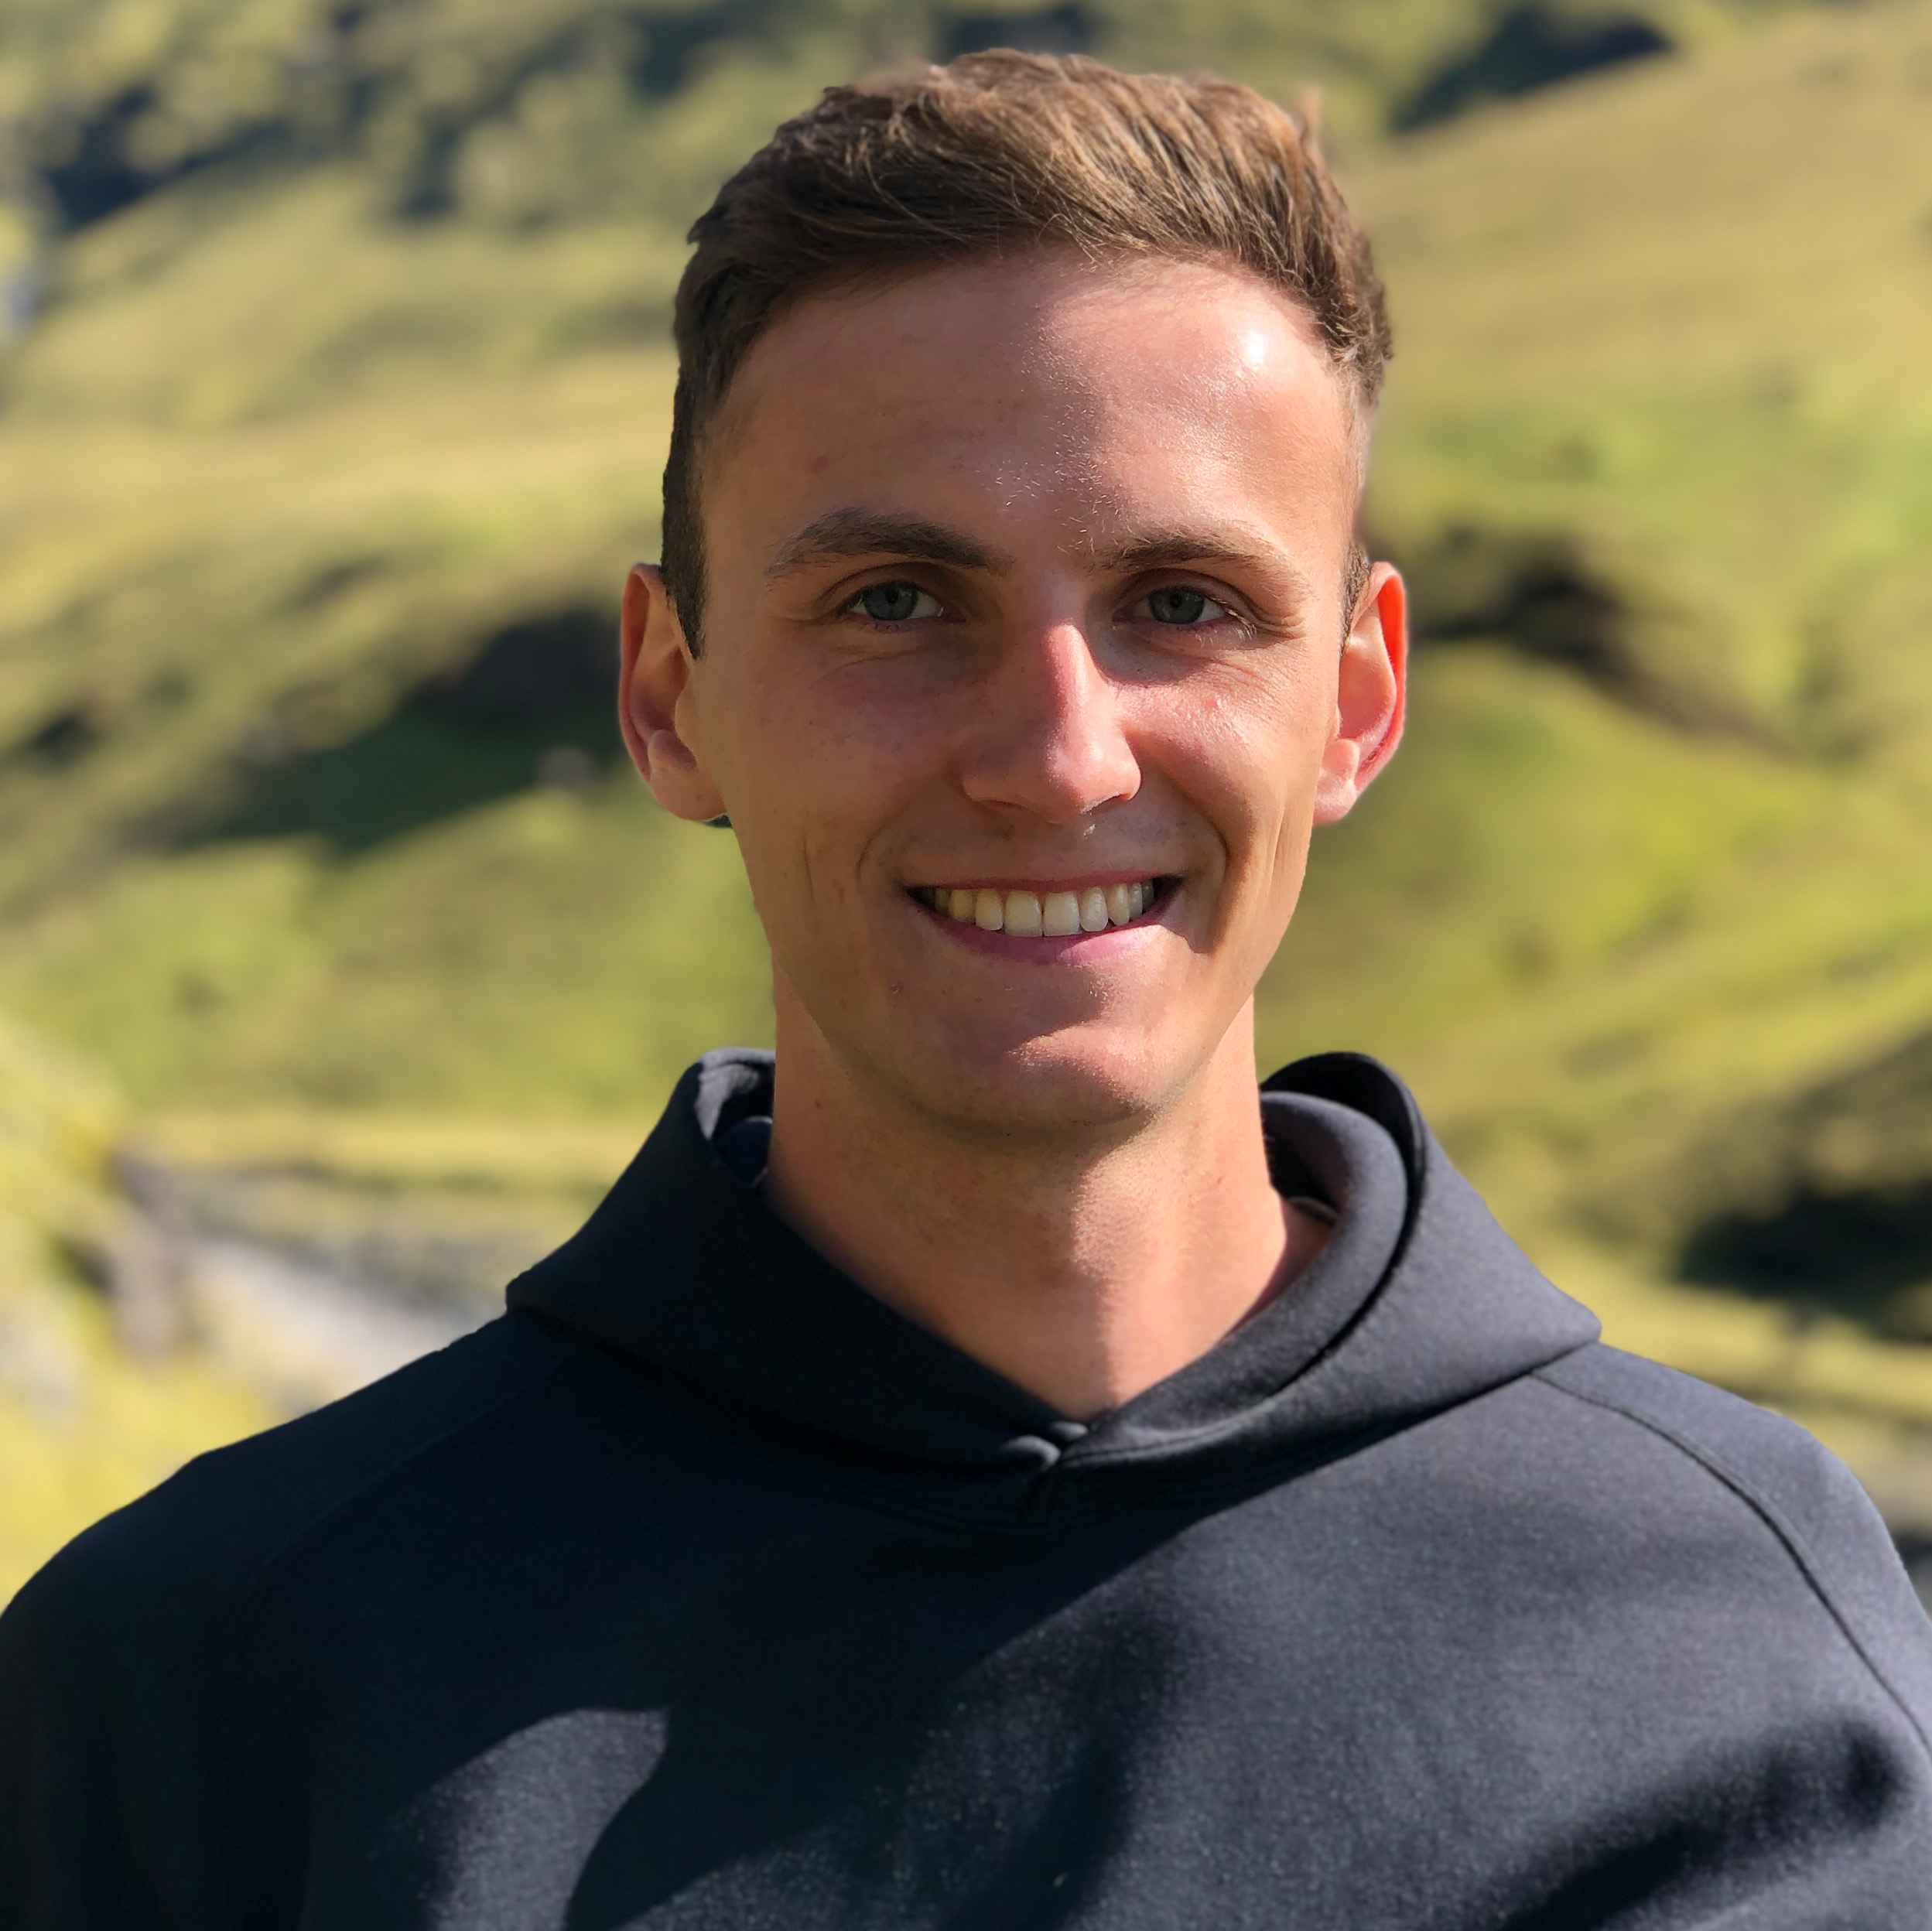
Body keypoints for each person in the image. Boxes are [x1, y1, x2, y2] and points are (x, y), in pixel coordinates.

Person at [3, 50, 1929, 1929]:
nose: (1059, 758)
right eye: (898, 603)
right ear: (669, 699)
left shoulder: (1745, 1649)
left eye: (1183, 604)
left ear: (1355, 702)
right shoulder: (192, 1699)